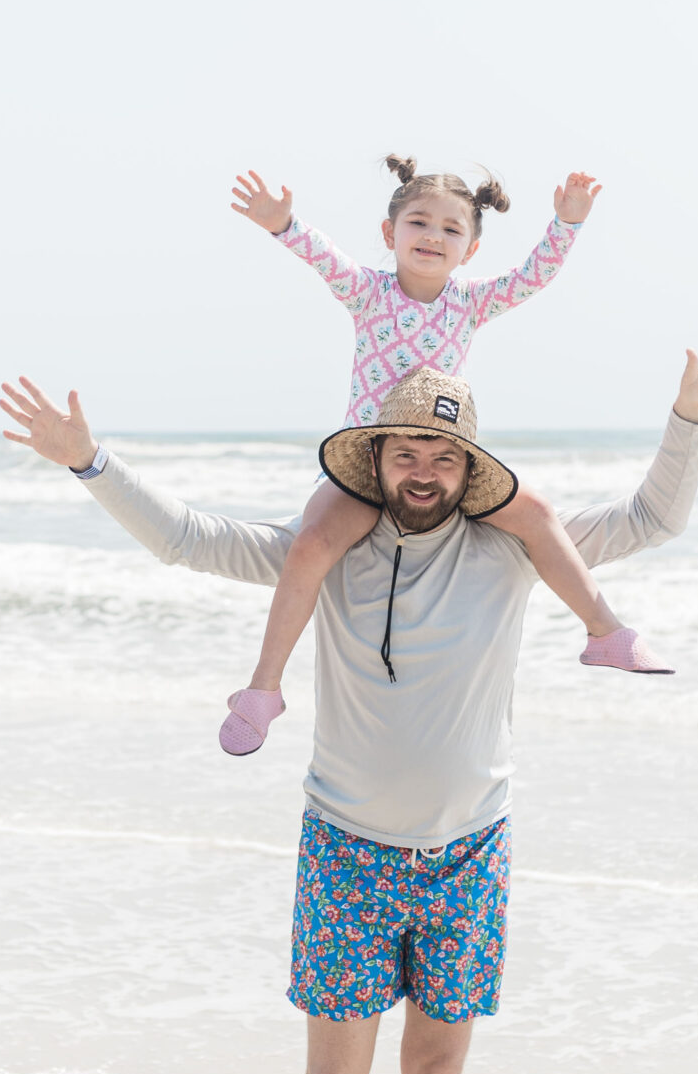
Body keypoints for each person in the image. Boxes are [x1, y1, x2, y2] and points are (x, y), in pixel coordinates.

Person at [0, 320, 698, 1074]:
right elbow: (187, 538)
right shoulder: (331, 547)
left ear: (469, 467)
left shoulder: (512, 545)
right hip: (346, 847)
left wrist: (689, 419)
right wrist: (90, 461)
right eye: (405, 450)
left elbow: (650, 518)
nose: (424, 469)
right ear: (375, 456)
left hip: (468, 853)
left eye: (445, 454)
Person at [218, 156, 669, 759]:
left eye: (452, 230)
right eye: (419, 223)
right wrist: (284, 224)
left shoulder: (473, 303)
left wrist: (566, 224)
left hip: (445, 464)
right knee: (310, 545)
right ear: (390, 234)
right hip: (368, 465)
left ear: (471, 249)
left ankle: (604, 631)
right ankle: (263, 689)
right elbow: (323, 256)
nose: (433, 236)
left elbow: (532, 278)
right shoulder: (368, 292)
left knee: (536, 511)